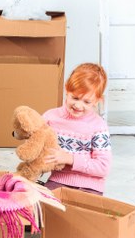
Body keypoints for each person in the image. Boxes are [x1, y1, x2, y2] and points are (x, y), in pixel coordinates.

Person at [43, 63, 112, 195]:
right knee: (41, 209)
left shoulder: (98, 126)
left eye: (87, 102)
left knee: (82, 215)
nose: (78, 105)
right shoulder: (50, 117)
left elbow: (103, 167)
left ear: (97, 100)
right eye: (75, 98)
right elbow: (36, 137)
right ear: (66, 90)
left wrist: (70, 159)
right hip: (58, 181)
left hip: (91, 187)